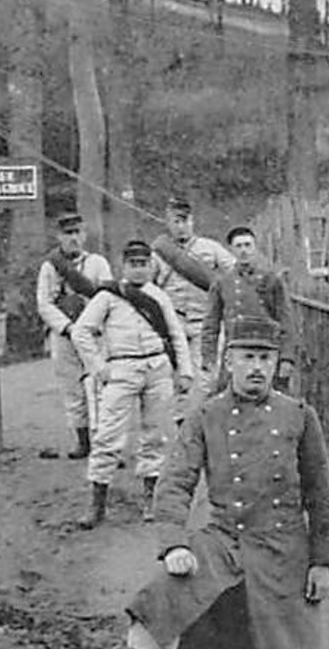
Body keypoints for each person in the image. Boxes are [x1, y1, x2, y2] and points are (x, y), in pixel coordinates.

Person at [108, 315, 329, 649]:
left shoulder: (299, 416)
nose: (256, 368)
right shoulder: (206, 415)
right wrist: (174, 544)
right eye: (247, 357)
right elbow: (175, 482)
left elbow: (321, 495)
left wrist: (322, 563)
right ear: (229, 361)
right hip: (224, 539)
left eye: (265, 358)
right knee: (158, 597)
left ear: (275, 363)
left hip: (284, 548)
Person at [71, 240, 195, 530]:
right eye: (133, 264)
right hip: (121, 368)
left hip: (156, 368)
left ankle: (151, 496)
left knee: (155, 434)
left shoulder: (159, 297)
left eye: (144, 264)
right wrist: (98, 368)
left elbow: (176, 335)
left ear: (151, 266)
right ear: (123, 267)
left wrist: (184, 370)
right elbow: (81, 332)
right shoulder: (108, 297)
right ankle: (97, 501)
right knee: (108, 435)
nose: (139, 270)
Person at [35, 207, 112, 460]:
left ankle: (105, 442)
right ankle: (82, 442)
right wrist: (66, 327)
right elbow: (44, 303)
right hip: (64, 334)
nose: (73, 238)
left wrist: (89, 324)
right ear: (59, 237)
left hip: (94, 335)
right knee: (72, 389)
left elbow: (106, 297)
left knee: (101, 386)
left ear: (85, 234)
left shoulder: (97, 263)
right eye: (68, 234)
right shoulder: (50, 267)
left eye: (77, 232)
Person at [148, 196, 236, 414]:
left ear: (192, 221)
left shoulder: (210, 248)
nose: (181, 227)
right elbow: (147, 287)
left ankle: (202, 423)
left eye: (184, 221)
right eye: (175, 222)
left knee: (207, 379)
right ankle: (183, 429)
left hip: (205, 323)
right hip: (174, 323)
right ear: (167, 223)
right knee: (180, 378)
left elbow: (234, 273)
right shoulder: (158, 253)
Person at [201, 225, 298, 393]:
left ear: (255, 247)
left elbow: (286, 321)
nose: (243, 251)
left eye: (247, 245)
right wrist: (208, 359)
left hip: (265, 352)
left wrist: (286, 358)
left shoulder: (272, 280)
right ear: (231, 249)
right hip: (234, 353)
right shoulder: (222, 283)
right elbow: (211, 324)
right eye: (238, 246)